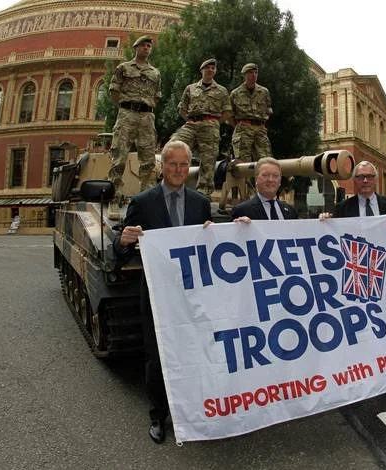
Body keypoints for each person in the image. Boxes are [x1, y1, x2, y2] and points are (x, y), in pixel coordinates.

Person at [113, 140, 212, 445]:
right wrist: (123, 240)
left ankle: (193, 409)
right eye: (173, 164)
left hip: (191, 294)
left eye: (184, 164)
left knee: (193, 352)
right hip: (157, 295)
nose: (179, 170)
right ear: (162, 167)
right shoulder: (143, 202)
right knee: (157, 356)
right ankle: (158, 415)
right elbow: (121, 252)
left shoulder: (200, 203)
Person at [319, 160, 386, 396]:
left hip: (384, 276)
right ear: (354, 180)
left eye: (369, 176)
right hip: (353, 277)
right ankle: (358, 374)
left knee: (385, 325)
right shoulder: (343, 208)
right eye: (361, 177)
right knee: (357, 326)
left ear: (375, 179)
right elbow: (329, 238)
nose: (365, 181)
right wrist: (324, 222)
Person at [107, 35, 162, 218]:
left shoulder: (155, 73)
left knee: (148, 161)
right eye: (144, 46)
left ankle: (146, 200)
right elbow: (114, 90)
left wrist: (145, 108)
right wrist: (125, 108)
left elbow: (157, 96)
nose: (147, 49)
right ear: (136, 48)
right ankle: (114, 198)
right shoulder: (123, 68)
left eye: (149, 46)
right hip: (127, 114)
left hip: (147, 117)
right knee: (119, 157)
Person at [170, 58, 231, 196]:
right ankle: (169, 184)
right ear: (202, 70)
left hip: (210, 126)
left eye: (213, 68)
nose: (210, 70)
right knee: (173, 147)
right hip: (191, 125)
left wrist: (214, 123)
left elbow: (227, 112)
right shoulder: (191, 88)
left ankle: (203, 194)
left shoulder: (221, 90)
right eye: (207, 67)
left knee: (208, 162)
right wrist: (189, 120)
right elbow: (182, 108)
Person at [230, 63, 272, 164]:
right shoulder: (235, 93)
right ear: (244, 75)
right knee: (243, 163)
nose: (254, 75)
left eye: (255, 72)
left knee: (265, 161)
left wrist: (261, 124)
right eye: (250, 73)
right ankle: (246, 181)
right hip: (243, 130)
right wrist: (239, 126)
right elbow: (230, 114)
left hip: (260, 130)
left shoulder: (264, 92)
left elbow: (268, 109)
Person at [231, 157, 297, 221]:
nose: (271, 180)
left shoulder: (291, 211)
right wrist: (240, 227)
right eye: (265, 175)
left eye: (275, 176)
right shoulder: (242, 211)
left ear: (280, 181)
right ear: (256, 178)